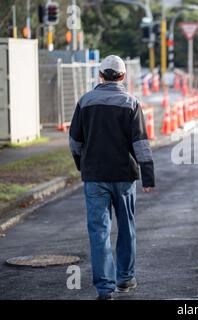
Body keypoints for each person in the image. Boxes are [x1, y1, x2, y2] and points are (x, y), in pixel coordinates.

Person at [69, 55, 155, 300]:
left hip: (94, 176)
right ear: (123, 76)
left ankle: (105, 289)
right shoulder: (130, 103)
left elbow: (75, 142)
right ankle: (125, 278)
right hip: (123, 176)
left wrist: (82, 165)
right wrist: (147, 176)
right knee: (126, 227)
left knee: (99, 231)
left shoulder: (85, 102)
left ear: (100, 75)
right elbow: (140, 144)